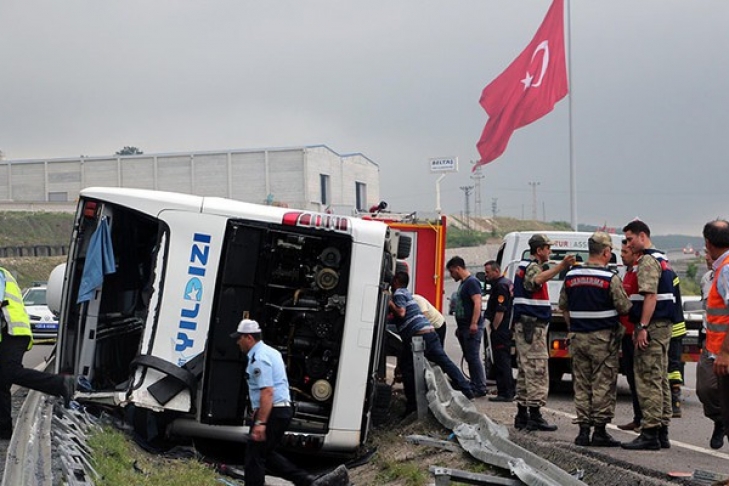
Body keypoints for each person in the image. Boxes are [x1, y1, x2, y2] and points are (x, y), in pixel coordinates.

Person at [231, 319, 349, 486]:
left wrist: (261, 422)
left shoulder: (258, 358)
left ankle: (306, 481)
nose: (237, 342)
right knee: (265, 454)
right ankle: (307, 481)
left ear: (249, 337)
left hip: (273, 411)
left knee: (255, 455)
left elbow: (267, 391)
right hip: (280, 409)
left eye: (239, 338)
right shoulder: (270, 351)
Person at [559, 232, 631, 447]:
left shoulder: (571, 276)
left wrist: (573, 327)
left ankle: (583, 431)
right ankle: (599, 431)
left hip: (578, 337)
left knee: (581, 384)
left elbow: (563, 306)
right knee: (603, 384)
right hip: (603, 339)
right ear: (606, 252)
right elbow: (624, 307)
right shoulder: (610, 278)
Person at [0, 267, 74, 440]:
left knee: (9, 372)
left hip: (14, 332)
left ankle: (61, 384)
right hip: (8, 334)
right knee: (1, 381)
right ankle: (3, 431)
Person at [511, 234, 576, 431]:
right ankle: (535, 416)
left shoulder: (523, 266)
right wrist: (561, 267)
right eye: (547, 248)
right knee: (537, 369)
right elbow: (537, 280)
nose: (549, 252)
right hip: (532, 327)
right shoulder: (532, 267)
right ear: (539, 250)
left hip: (526, 326)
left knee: (525, 371)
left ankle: (522, 414)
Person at [389, 272, 474, 415]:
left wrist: (389, 303)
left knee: (407, 369)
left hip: (419, 336)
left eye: (392, 281)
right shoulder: (408, 294)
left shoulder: (398, 294)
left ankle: (412, 406)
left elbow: (401, 313)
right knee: (444, 362)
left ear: (397, 280)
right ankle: (467, 390)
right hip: (430, 332)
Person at [621, 220, 673, 450]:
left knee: (647, 378)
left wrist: (642, 326)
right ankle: (661, 430)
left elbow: (650, 296)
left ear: (642, 236)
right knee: (659, 377)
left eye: (630, 239)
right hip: (662, 326)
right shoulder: (662, 259)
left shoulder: (648, 261)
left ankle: (650, 432)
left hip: (652, 327)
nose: (628, 245)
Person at [702, 220, 729, 449]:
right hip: (716, 351)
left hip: (725, 355)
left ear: (708, 243)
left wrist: (725, 352)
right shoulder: (721, 267)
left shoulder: (726, 269)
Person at [446, 256, 488, 398]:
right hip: (463, 327)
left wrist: (474, 323)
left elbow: (477, 303)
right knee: (469, 357)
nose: (451, 276)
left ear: (458, 268)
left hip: (471, 327)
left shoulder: (472, 282)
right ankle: (474, 384)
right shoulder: (463, 283)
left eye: (452, 272)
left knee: (473, 356)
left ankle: (480, 386)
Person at [696, 251, 725, 449]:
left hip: (726, 344)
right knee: (704, 389)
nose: (707, 258)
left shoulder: (727, 272)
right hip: (710, 341)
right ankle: (719, 420)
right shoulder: (706, 279)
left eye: (709, 253)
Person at [617, 240, 643, 432]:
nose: (622, 255)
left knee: (640, 379)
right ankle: (638, 417)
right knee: (632, 379)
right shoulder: (627, 273)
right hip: (625, 333)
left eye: (625, 252)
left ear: (635, 254)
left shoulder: (639, 274)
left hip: (635, 333)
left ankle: (644, 419)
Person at [482, 260, 515, 402]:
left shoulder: (501, 286)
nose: (486, 275)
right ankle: (505, 390)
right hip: (505, 328)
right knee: (502, 360)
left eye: (488, 272)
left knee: (502, 361)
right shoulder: (506, 283)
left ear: (496, 271)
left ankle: (506, 392)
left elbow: (500, 310)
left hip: (501, 329)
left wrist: (494, 327)